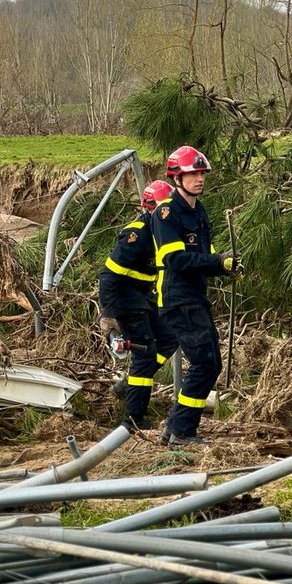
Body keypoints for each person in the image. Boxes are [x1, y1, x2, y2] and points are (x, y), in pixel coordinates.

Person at [151, 146, 242, 447]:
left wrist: (225, 267)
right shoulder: (166, 214)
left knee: (211, 363)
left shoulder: (198, 210)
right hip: (178, 300)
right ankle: (182, 433)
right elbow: (175, 260)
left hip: (194, 297)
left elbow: (205, 255)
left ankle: (173, 427)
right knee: (204, 364)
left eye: (201, 173)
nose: (199, 178)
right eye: (193, 173)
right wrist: (217, 263)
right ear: (177, 177)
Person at [99, 180, 179, 430]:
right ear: (149, 208)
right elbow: (109, 275)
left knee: (169, 338)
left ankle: (128, 385)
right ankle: (133, 419)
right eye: (163, 209)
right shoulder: (137, 234)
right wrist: (108, 315)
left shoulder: (164, 230)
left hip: (143, 297)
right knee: (144, 355)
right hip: (125, 300)